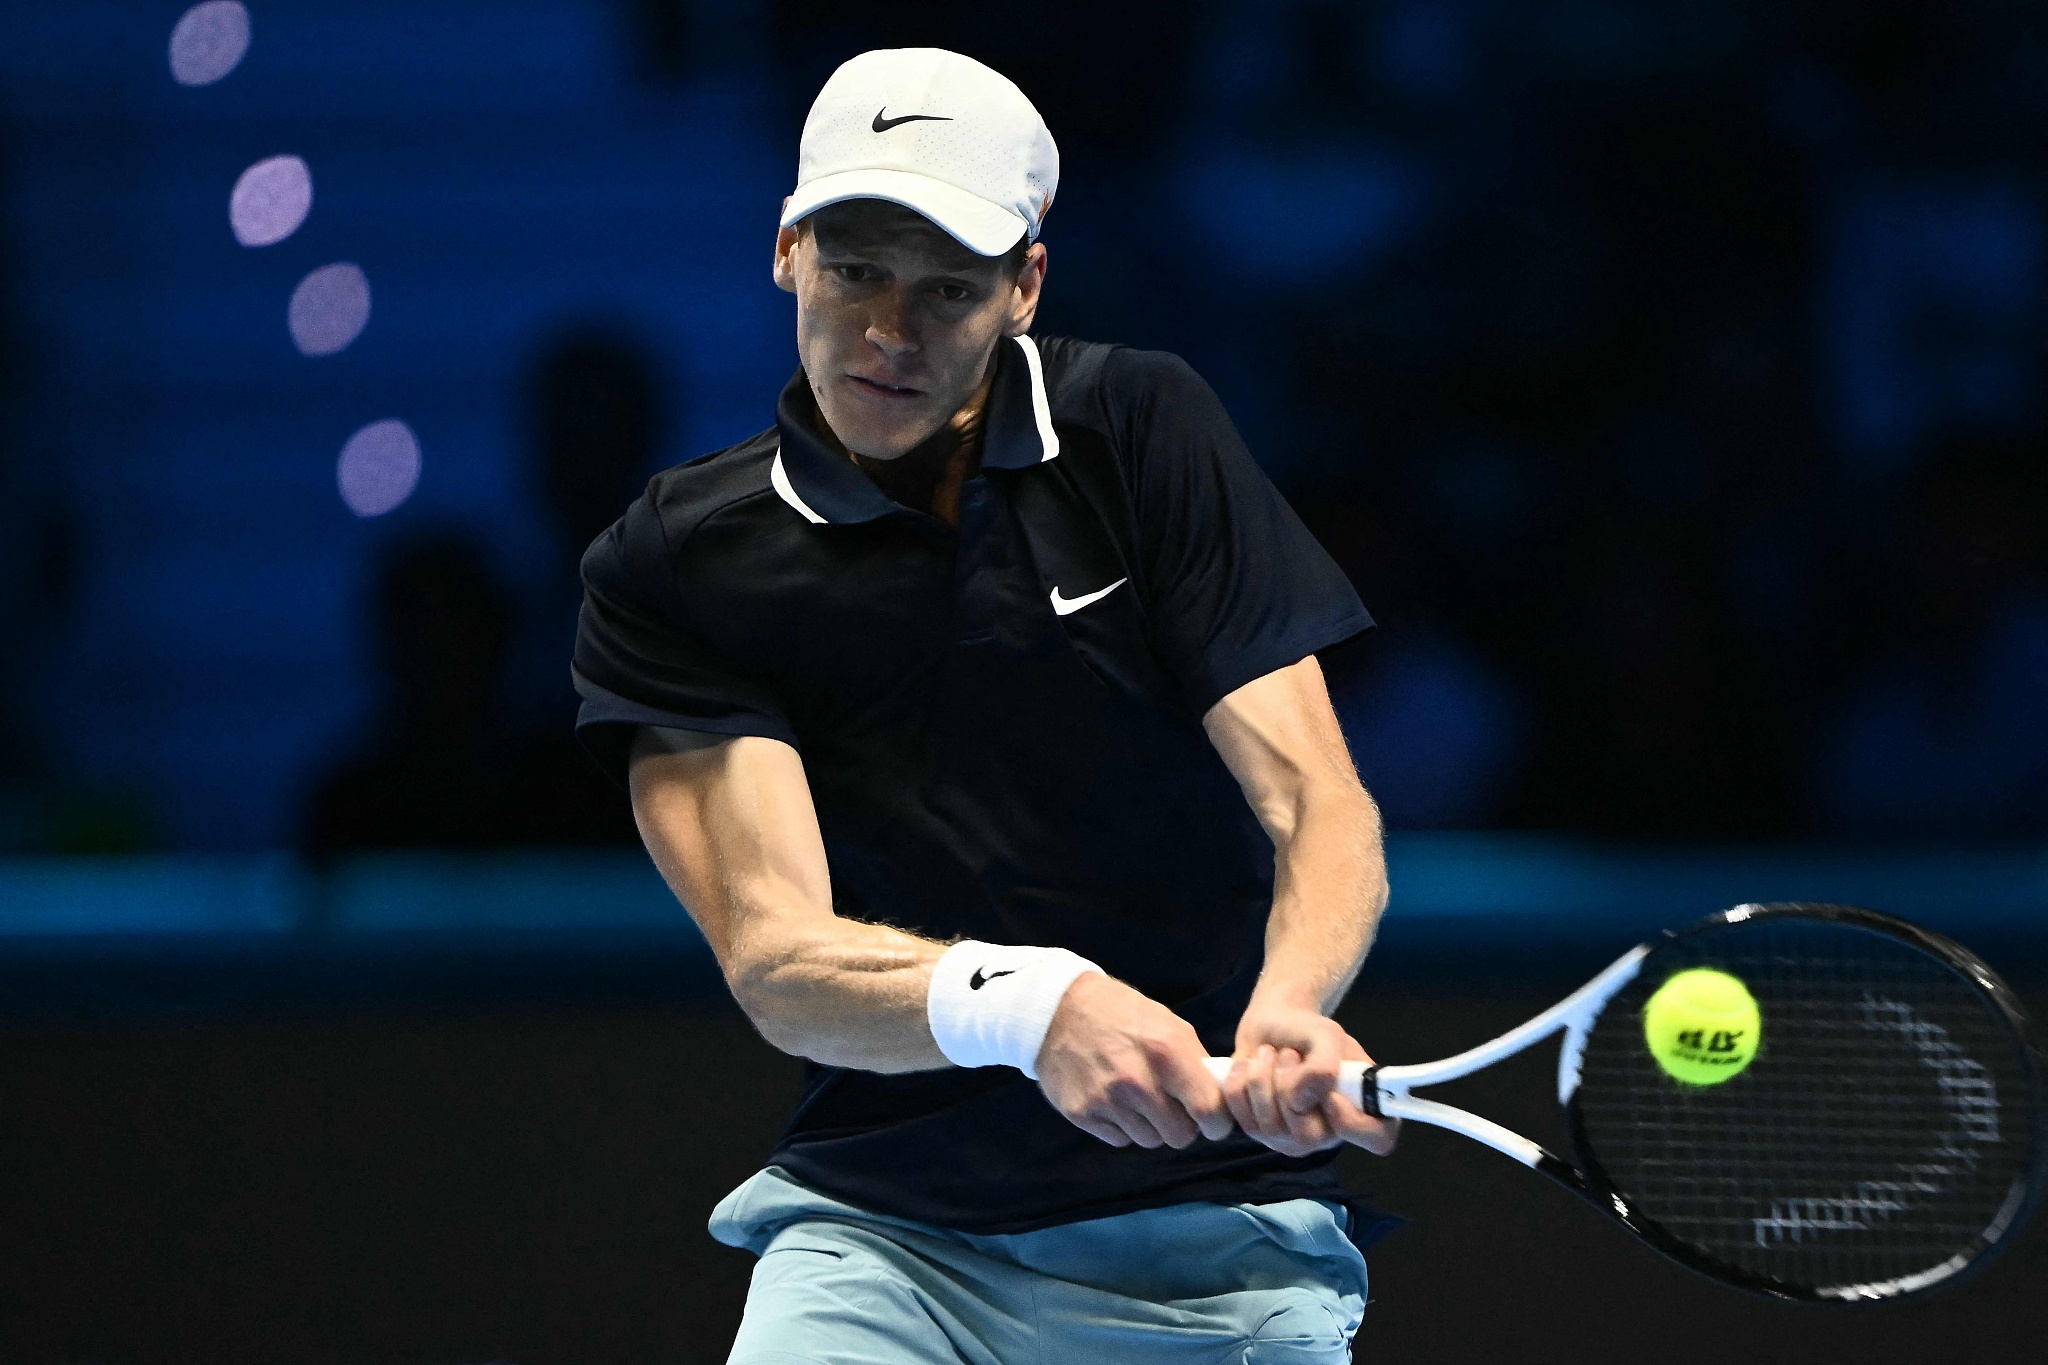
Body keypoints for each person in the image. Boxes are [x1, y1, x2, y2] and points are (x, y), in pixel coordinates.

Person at [574, 47, 1398, 1363]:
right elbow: (778, 960)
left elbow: (1319, 803)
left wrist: (1290, 1000)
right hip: (883, 1249)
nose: (889, 333)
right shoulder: (679, 561)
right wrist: (1037, 1006)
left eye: (947, 286)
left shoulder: (1143, 432)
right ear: (785, 250)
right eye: (854, 271)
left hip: (1218, 1252)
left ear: (1025, 287)